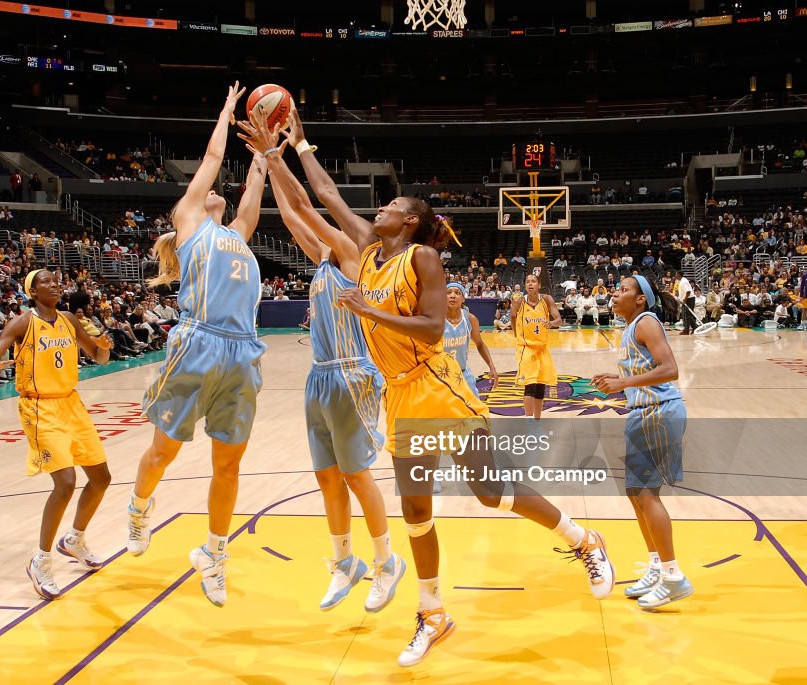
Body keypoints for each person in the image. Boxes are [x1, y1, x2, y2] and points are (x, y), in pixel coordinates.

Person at [284, 110, 613, 667]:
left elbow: (435, 329)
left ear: (410, 222)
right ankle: (433, 613)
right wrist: (294, 145)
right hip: (398, 394)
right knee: (415, 510)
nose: (379, 210)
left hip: (437, 384)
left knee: (489, 491)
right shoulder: (368, 249)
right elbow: (324, 193)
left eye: (391, 207)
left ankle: (585, 540)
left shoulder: (423, 258)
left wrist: (369, 311)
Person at [245, 113, 405, 612]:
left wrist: (277, 155)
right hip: (320, 376)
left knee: (358, 476)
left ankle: (385, 561)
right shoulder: (323, 260)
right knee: (328, 477)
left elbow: (311, 211)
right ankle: (344, 562)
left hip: (354, 373)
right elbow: (293, 217)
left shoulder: (359, 255)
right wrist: (267, 161)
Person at [126, 83, 269, 608]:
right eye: (208, 189)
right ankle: (140, 509)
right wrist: (227, 110)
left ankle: (214, 554)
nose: (216, 189)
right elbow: (213, 156)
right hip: (198, 343)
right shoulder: (190, 222)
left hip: (243, 352)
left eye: (218, 190)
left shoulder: (239, 232)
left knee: (228, 465)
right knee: (164, 451)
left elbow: (256, 182)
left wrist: (267, 147)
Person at [0, 269, 114, 600]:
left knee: (101, 478)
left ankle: (75, 539)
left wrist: (104, 346)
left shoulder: (68, 319)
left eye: (56, 280)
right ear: (33, 292)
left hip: (72, 403)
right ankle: (41, 561)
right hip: (39, 408)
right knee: (65, 483)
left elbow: (98, 357)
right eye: (46, 282)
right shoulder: (23, 323)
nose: (55, 285)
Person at [593, 276, 693, 609]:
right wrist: (616, 382)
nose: (616, 293)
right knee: (636, 494)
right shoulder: (630, 327)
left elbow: (670, 369)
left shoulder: (646, 322)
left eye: (623, 289)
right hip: (644, 412)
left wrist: (624, 381)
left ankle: (673, 576)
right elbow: (640, 373)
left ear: (640, 300)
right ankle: (655, 566)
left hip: (658, 412)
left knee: (647, 494)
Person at [511, 274, 562, 425]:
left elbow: (559, 320)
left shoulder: (546, 299)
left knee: (541, 386)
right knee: (530, 386)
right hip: (526, 349)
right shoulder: (519, 301)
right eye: (527, 282)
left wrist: (552, 323)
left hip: (542, 348)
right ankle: (529, 424)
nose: (530, 284)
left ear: (539, 284)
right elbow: (513, 318)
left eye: (533, 281)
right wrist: (517, 335)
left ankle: (537, 422)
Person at [443, 283, 497, 398]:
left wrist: (491, 366)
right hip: (440, 375)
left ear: (463, 299)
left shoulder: (470, 319)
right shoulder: (436, 319)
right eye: (448, 293)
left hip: (462, 373)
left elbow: (480, 344)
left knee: (474, 412)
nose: (452, 296)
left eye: (457, 293)